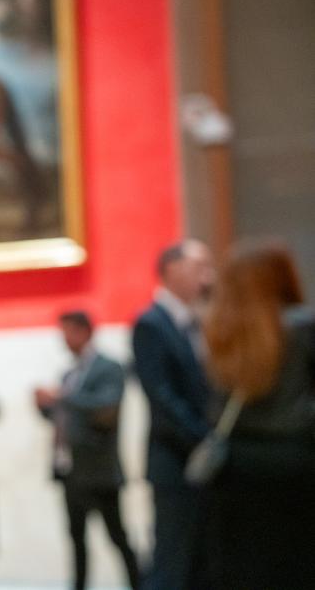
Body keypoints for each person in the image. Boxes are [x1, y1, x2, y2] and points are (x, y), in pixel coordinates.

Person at [199, 242, 315, 588]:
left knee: (246, 565)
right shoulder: (300, 326)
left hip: (235, 464)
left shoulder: (220, 331)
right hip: (296, 459)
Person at [132, 239, 215, 589]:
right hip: (175, 463)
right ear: (172, 271)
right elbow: (163, 397)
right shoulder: (152, 324)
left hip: (202, 464)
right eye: (200, 268)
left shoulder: (198, 321)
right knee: (171, 565)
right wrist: (206, 440)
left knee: (203, 564)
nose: (208, 278)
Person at [35, 310, 139, 590]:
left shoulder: (109, 367)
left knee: (117, 537)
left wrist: (63, 397)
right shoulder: (70, 373)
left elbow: (107, 406)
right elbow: (65, 416)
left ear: (84, 331)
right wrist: (45, 406)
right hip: (72, 471)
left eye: (68, 332)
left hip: (99, 470)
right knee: (77, 541)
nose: (64, 340)